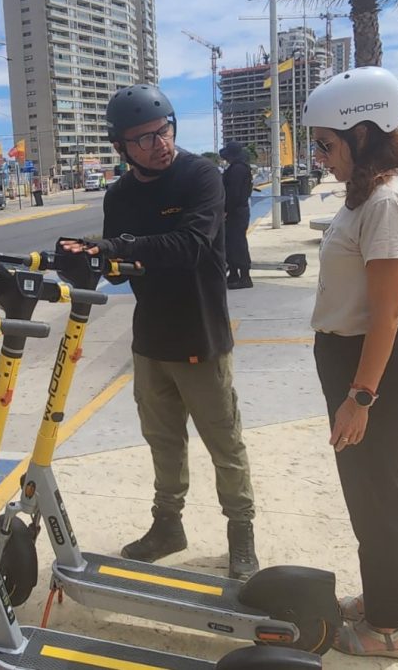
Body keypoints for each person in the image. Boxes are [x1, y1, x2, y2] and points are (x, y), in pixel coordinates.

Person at [61, 84, 258, 580]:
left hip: (200, 335)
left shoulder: (200, 176)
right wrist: (88, 260)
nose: (160, 143)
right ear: (121, 147)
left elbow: (191, 245)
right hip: (150, 339)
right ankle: (168, 526)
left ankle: (241, 533)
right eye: (145, 138)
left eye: (164, 130)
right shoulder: (120, 195)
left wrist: (120, 246)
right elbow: (118, 272)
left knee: (224, 442)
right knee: (162, 440)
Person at [304, 66, 398, 658]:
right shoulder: (370, 192)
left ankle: (387, 630)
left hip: (372, 367)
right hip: (355, 360)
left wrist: (359, 398)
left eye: (326, 144)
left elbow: (384, 315)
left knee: (379, 500)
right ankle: (382, 599)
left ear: (361, 133)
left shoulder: (386, 201)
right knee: (368, 494)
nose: (321, 157)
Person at [220, 141, 253, 289]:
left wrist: (226, 210)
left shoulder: (237, 170)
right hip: (239, 210)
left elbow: (233, 193)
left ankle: (244, 276)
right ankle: (234, 274)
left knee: (237, 243)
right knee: (232, 243)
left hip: (236, 212)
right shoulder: (241, 168)